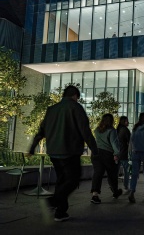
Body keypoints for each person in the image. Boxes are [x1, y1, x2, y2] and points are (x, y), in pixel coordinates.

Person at [29, 85, 98, 222]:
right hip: (70, 151)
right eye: (77, 98)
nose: (77, 100)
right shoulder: (75, 108)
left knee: (62, 181)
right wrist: (95, 150)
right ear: (74, 96)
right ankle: (53, 201)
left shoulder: (51, 110)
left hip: (54, 152)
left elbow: (41, 131)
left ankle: (60, 213)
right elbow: (85, 131)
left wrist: (32, 147)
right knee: (73, 180)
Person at [90, 113, 122, 204]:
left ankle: (95, 195)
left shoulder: (97, 130)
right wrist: (116, 154)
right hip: (107, 154)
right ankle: (115, 192)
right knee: (112, 174)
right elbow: (114, 143)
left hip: (96, 154)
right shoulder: (112, 131)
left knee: (97, 173)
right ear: (111, 121)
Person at [117, 116, 131, 194]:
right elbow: (130, 143)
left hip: (117, 154)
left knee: (116, 171)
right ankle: (126, 187)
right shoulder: (125, 130)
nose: (128, 122)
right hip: (124, 154)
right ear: (124, 121)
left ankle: (114, 187)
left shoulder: (117, 130)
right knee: (126, 171)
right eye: (127, 121)